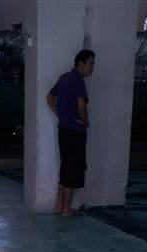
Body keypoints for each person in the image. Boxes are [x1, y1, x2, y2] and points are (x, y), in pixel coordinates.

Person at [47, 50, 95, 216]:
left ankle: (58, 205)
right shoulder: (78, 81)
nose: (92, 67)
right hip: (75, 132)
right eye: (90, 63)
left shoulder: (64, 78)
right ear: (80, 63)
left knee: (65, 166)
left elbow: (49, 97)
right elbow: (81, 105)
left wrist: (61, 115)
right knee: (73, 169)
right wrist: (85, 122)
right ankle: (66, 208)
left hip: (64, 130)